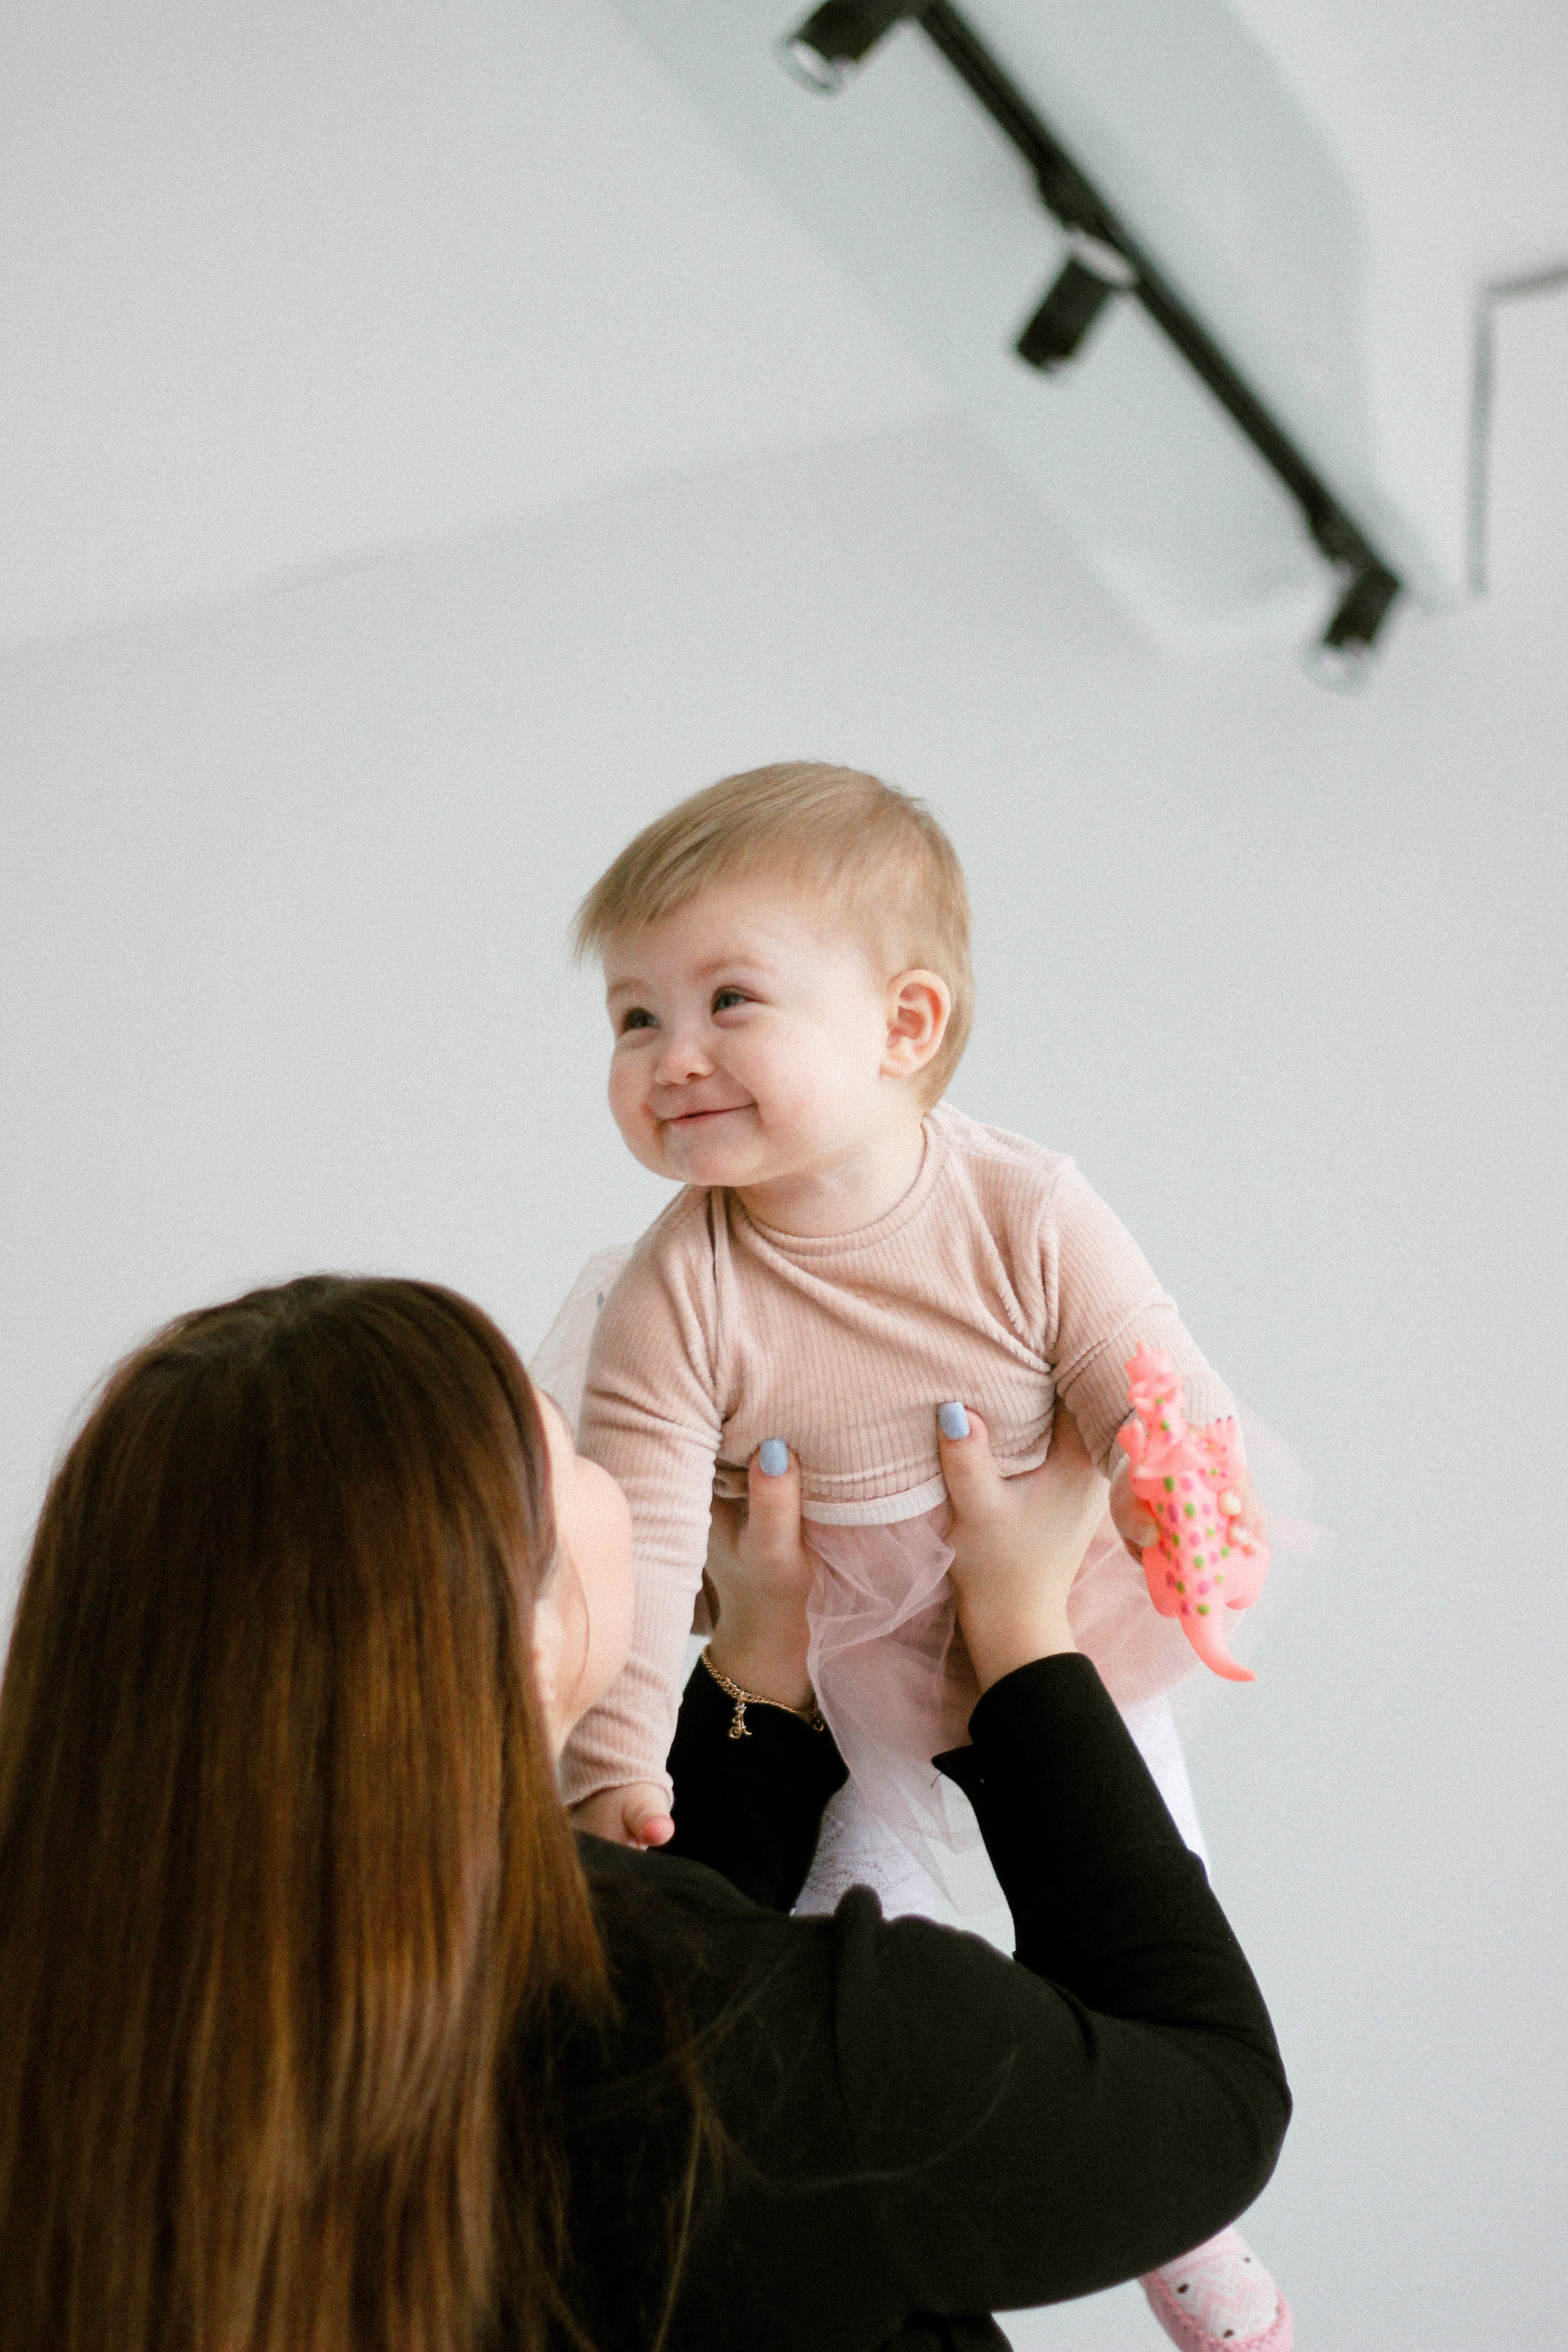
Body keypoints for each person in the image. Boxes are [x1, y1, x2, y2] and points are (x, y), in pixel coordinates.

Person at [0, 1273, 1289, 2352]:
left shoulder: (85, 2038)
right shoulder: (784, 2070)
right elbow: (1209, 2096)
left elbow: (632, 1949)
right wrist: (1020, 1638)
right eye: (565, 1442)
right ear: (528, 1633)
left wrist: (757, 1667)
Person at [548, 761, 1293, 2350]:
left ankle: (1195, 2237)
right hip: (836, 1661)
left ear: (903, 1026)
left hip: (1052, 1620)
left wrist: (1182, 1511)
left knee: (1149, 1878)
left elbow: (1139, 1370)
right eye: (629, 1020)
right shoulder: (676, 1288)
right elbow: (645, 1508)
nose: (668, 1059)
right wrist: (618, 1762)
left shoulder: (1018, 1201)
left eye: (725, 1000)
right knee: (837, 1922)